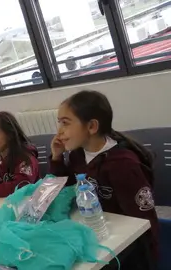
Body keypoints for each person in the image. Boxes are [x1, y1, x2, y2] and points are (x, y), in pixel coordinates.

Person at [50, 90, 158, 268]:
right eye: (59, 123)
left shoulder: (123, 165)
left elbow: (143, 223)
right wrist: (56, 158)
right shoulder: (78, 154)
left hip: (126, 248)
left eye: (65, 123)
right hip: (96, 233)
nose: (59, 131)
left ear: (92, 126)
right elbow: (63, 191)